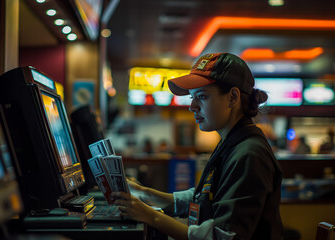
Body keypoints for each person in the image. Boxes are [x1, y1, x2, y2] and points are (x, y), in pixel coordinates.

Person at [112, 53, 283, 240]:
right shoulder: (233, 142)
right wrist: (145, 193)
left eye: (201, 96)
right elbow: (206, 197)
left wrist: (150, 216)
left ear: (233, 97)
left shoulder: (250, 154)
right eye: (192, 98)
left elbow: (221, 237)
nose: (192, 106)